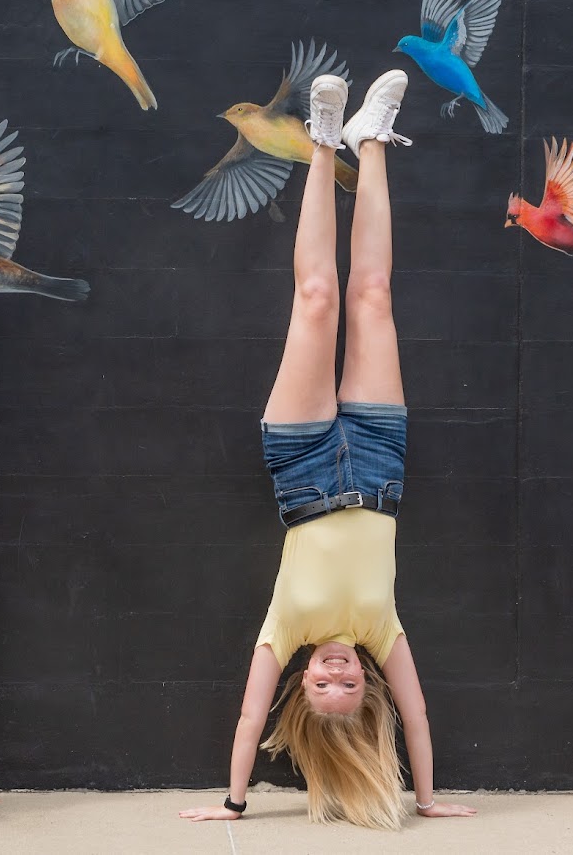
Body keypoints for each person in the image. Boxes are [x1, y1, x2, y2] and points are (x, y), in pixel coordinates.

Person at [179, 70, 477, 830]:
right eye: (350, 687)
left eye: (323, 689)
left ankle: (320, 140)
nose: (338, 677)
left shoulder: (282, 632)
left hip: (302, 465)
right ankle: (369, 140)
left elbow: (249, 719)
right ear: (367, 683)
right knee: (371, 293)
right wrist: (427, 799)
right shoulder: (386, 634)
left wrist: (234, 803)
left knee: (316, 298)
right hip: (380, 462)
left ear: (304, 681)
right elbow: (415, 720)